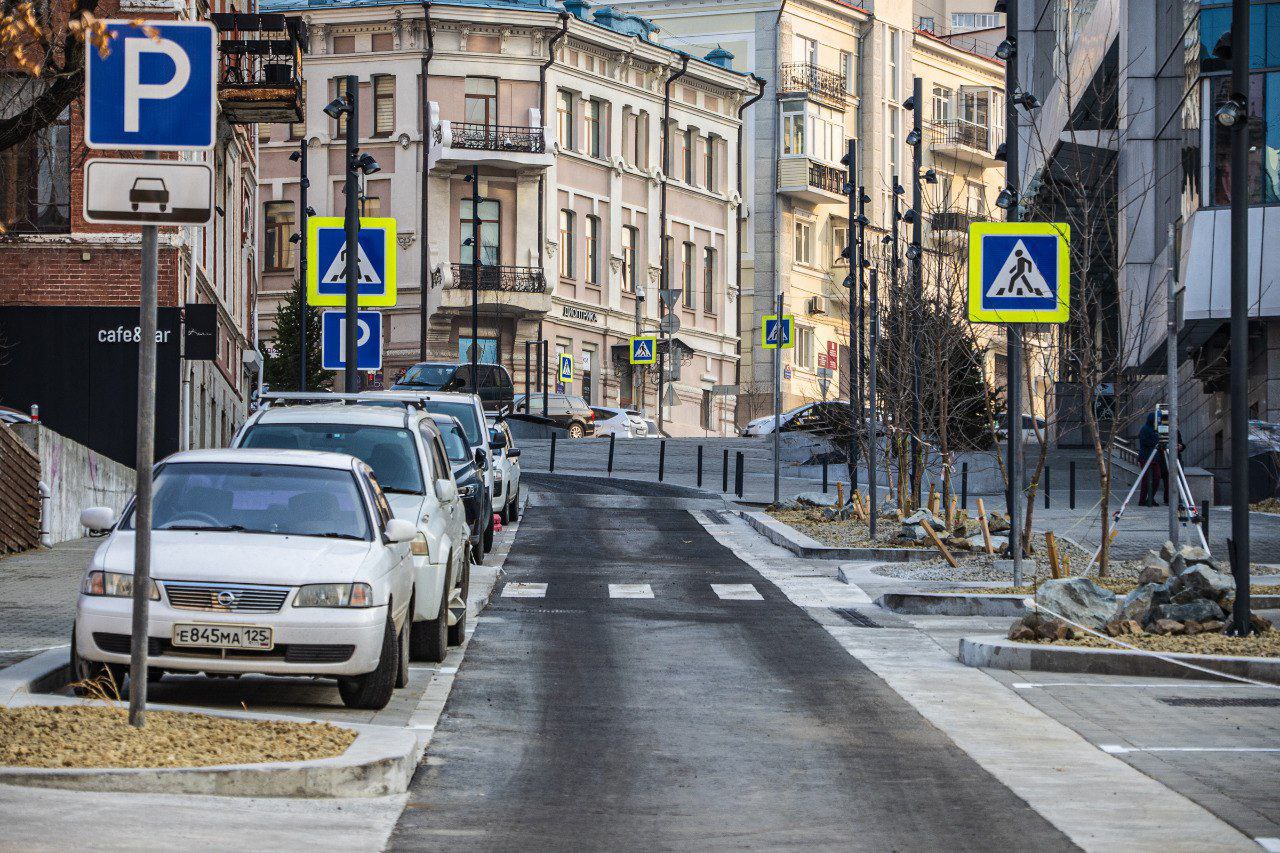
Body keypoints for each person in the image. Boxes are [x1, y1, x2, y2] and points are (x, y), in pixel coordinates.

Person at [1137, 413, 1166, 506]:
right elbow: (1144, 442)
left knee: (1157, 478)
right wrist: (1157, 442)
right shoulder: (1145, 429)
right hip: (1146, 457)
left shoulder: (1156, 430)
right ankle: (1142, 500)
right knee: (1146, 479)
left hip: (1155, 458)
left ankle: (1150, 497)